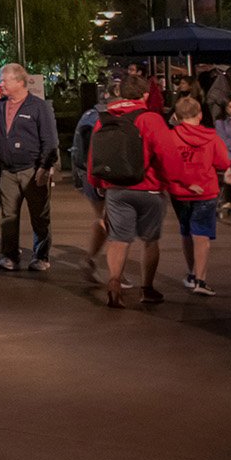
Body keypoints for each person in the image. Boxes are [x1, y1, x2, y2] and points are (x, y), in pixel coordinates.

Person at [89, 73, 180, 308]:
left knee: (118, 239)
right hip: (148, 189)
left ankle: (114, 282)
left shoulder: (104, 119)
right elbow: (167, 154)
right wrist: (173, 182)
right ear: (146, 95)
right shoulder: (150, 118)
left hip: (116, 189)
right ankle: (147, 289)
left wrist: (97, 184)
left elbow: (94, 156)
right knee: (150, 241)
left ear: (120, 93)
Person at [0, 62, 58, 272]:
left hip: (33, 170)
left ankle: (41, 256)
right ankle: (10, 256)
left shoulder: (38, 107)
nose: (0, 84)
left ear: (18, 81)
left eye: (3, 80)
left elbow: (50, 141)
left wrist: (45, 167)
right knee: (9, 216)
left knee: (40, 216)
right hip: (7, 171)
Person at [168, 96, 228, 296]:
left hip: (180, 192)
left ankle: (192, 273)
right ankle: (201, 279)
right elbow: (221, 163)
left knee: (186, 232)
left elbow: (166, 164)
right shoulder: (211, 137)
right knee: (201, 235)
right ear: (200, 115)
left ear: (176, 116)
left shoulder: (171, 137)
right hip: (206, 191)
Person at [70, 81, 121, 286]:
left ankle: (91, 260)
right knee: (113, 221)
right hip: (107, 176)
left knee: (104, 219)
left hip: (91, 175)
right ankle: (114, 271)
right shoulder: (110, 117)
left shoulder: (89, 115)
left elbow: (79, 149)